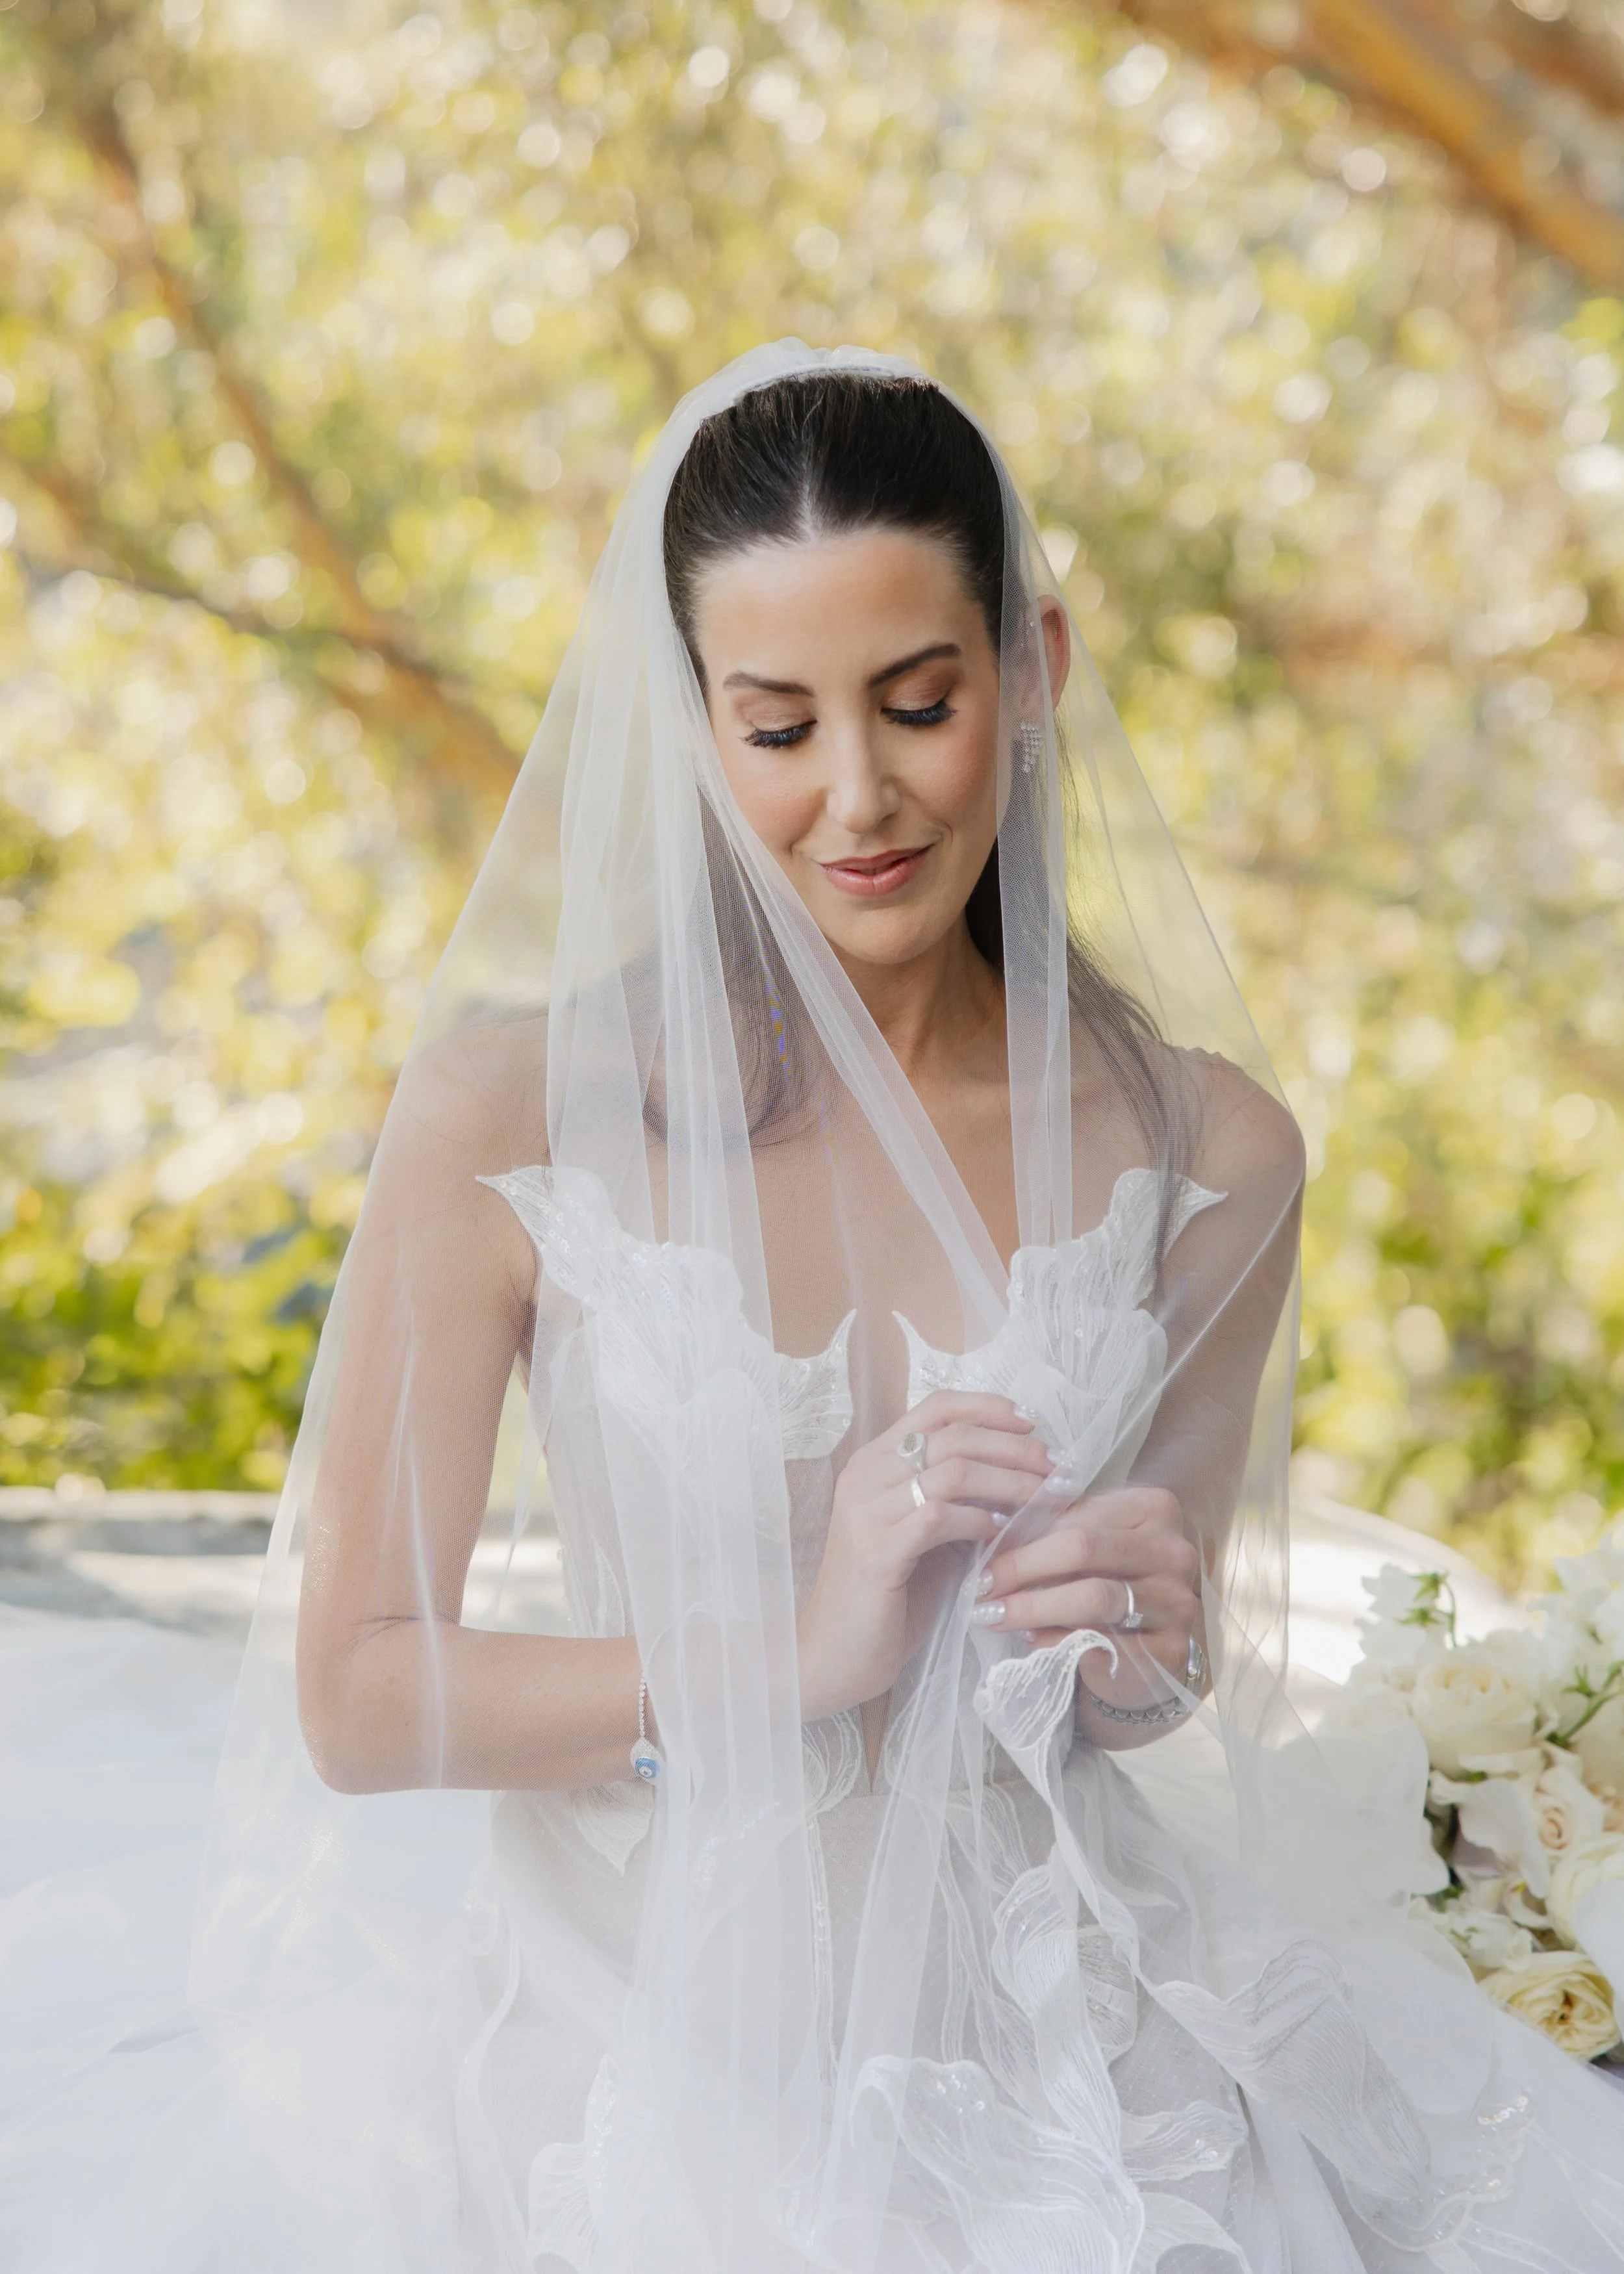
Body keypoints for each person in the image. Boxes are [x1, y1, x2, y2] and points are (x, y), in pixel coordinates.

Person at [5, 342, 1623, 2271]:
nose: (856, 793)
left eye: (918, 703)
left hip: (1076, 2032)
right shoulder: (507, 1122)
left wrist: (1134, 1638)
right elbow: (361, 1693)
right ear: (690, 730)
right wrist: (795, 1650)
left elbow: (1144, 1681)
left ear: (1030, 674)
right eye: (774, 726)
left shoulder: (1215, 1149)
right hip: (632, 2044)